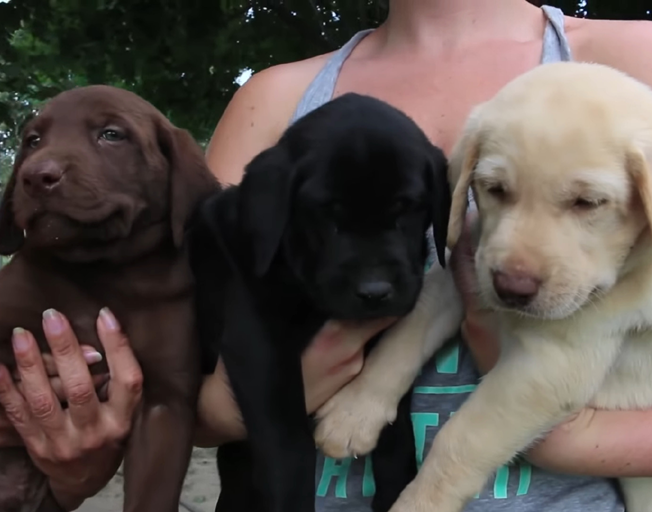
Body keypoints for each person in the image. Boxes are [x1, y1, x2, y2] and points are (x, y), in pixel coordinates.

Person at [1, 0, 652, 510]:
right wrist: (87, 452)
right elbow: (183, 381)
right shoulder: (274, 99)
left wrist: (561, 435)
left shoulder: (633, 62)